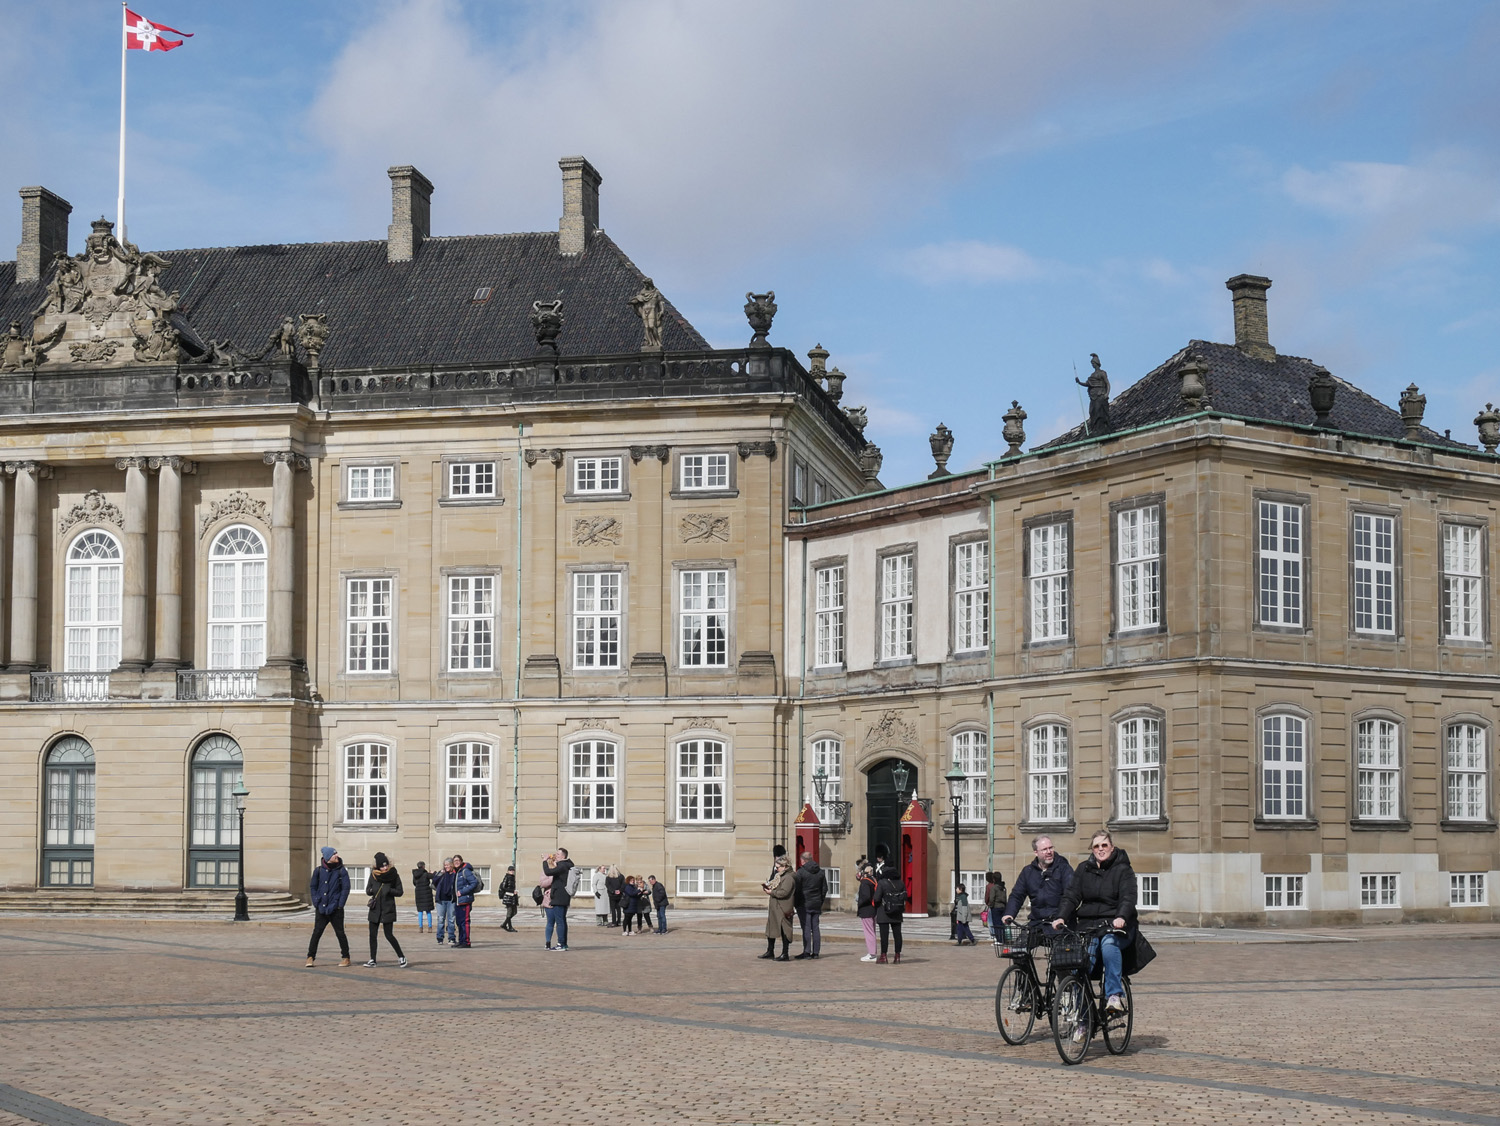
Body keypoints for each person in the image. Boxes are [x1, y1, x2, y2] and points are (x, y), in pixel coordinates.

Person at [1054, 830, 1137, 1015]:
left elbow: (1128, 897)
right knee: (1080, 963)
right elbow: (1071, 896)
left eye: (1104, 845)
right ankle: (1083, 1015)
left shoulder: (1123, 869)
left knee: (1108, 944)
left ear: (1112, 847)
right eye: (1096, 846)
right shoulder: (1083, 869)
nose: (1101, 849)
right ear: (1092, 849)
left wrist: (1121, 917)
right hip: (1089, 926)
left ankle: (1114, 995)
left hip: (1114, 926)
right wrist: (1061, 916)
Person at [1002, 835, 1074, 979]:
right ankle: (1027, 991)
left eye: (1050, 848)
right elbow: (1017, 895)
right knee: (1018, 950)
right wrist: (1009, 913)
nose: (1049, 851)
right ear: (1036, 852)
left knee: (1061, 959)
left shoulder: (1064, 868)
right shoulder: (1028, 872)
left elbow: (1070, 896)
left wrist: (1061, 917)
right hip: (1038, 923)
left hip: (1059, 923)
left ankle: (1066, 992)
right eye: (1044, 849)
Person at [306, 846, 351, 968]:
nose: (336, 855)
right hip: (321, 908)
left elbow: (345, 889)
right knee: (317, 933)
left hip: (335, 908)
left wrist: (340, 905)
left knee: (340, 933)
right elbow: (313, 887)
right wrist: (316, 902)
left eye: (336, 853)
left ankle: (346, 957)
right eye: (333, 854)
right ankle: (310, 957)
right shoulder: (318, 871)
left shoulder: (342, 871)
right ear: (327, 857)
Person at [364, 852, 407, 968]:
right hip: (375, 909)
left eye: (386, 865)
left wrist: (390, 890)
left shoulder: (394, 875)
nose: (385, 868)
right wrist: (371, 890)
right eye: (382, 866)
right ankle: (372, 959)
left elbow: (400, 892)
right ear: (377, 867)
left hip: (388, 909)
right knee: (372, 935)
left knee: (389, 935)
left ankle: (401, 956)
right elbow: (368, 889)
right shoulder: (373, 875)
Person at [793, 851, 827, 959]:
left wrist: (796, 903)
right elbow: (824, 889)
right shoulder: (820, 872)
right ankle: (816, 952)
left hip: (805, 903)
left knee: (806, 928)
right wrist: (820, 901)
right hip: (816, 902)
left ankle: (807, 951)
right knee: (816, 928)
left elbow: (797, 890)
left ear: (803, 860)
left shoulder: (801, 872)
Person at [760, 856, 795, 961]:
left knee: (785, 931)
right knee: (771, 928)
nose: (776, 869)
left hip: (783, 907)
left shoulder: (789, 877)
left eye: (778, 867)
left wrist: (772, 892)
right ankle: (770, 951)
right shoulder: (778, 876)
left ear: (784, 866)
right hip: (775, 907)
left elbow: (784, 892)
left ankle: (785, 953)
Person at [542, 847, 576, 952]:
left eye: (557, 854)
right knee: (562, 921)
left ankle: (561, 944)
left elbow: (548, 872)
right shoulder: (567, 865)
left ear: (563, 856)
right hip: (563, 896)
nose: (555, 855)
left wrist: (544, 861)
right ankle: (563, 943)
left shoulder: (563, 865)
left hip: (559, 897)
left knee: (560, 921)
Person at [874, 865, 906, 964]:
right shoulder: (900, 883)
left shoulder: (882, 883)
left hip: (884, 911)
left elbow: (876, 898)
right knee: (897, 935)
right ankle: (897, 956)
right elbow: (905, 896)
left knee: (884, 935)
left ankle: (884, 956)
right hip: (897, 911)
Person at [453, 854, 479, 947]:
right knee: (459, 922)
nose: (456, 862)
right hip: (458, 901)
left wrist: (462, 891)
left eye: (458, 860)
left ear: (461, 861)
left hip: (465, 900)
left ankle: (466, 942)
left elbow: (474, 882)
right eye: (454, 861)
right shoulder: (457, 871)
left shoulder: (465, 871)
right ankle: (461, 941)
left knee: (465, 922)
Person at [855, 862, 879, 962]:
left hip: (866, 909)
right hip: (872, 909)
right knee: (871, 931)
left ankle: (872, 954)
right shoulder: (873, 879)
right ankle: (873, 952)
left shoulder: (865, 882)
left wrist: (859, 902)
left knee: (869, 932)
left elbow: (866, 897)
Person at [432, 858, 458, 945]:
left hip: (451, 900)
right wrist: (440, 873)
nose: (446, 867)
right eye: (445, 865)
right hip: (441, 900)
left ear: (452, 865)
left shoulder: (455, 874)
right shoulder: (442, 874)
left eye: (448, 865)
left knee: (451, 919)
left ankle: (451, 937)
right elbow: (434, 881)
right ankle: (440, 937)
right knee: (440, 919)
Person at [984, 871, 1008, 942]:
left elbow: (991, 898)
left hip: (996, 907)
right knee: (1002, 924)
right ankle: (1003, 939)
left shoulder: (994, 888)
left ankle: (999, 940)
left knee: (997, 924)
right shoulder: (1003, 887)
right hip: (1003, 907)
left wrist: (991, 905)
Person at [412, 860, 434, 933]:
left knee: (420, 911)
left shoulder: (415, 874)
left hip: (418, 894)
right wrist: (433, 873)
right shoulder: (426, 874)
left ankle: (420, 927)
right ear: (423, 866)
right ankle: (430, 927)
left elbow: (414, 883)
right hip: (426, 894)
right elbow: (434, 876)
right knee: (428, 911)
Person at [498, 865, 519, 933]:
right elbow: (503, 887)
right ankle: (509, 927)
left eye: (513, 870)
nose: (512, 871)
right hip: (508, 896)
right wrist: (512, 891)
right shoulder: (506, 877)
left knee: (514, 912)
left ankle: (504, 924)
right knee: (509, 912)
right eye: (510, 870)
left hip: (513, 896)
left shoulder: (513, 877)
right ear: (508, 871)